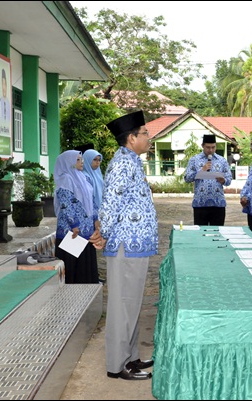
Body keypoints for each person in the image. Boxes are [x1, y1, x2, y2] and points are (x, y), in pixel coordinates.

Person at [97, 110, 158, 381]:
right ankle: (116, 364)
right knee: (123, 304)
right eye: (144, 133)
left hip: (137, 244)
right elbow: (111, 201)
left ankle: (131, 358)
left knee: (132, 304)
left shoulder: (132, 161)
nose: (149, 137)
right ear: (132, 138)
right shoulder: (123, 163)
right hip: (125, 245)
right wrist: (104, 233)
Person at [53, 150, 101, 284]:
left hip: (86, 230)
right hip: (71, 232)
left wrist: (96, 219)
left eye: (82, 159)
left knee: (85, 267)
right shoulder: (65, 179)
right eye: (78, 160)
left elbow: (92, 201)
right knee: (72, 268)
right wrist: (74, 224)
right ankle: (69, 300)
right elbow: (66, 204)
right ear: (69, 162)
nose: (82, 162)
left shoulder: (84, 178)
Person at [184, 134, 233, 225]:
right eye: (208, 147)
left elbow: (229, 178)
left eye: (213, 147)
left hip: (218, 204)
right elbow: (187, 178)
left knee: (217, 234)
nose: (210, 150)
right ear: (202, 146)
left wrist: (224, 181)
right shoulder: (194, 160)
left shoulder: (222, 160)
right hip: (200, 204)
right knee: (201, 234)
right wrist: (201, 171)